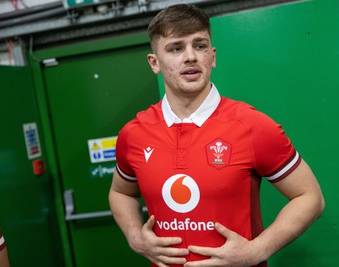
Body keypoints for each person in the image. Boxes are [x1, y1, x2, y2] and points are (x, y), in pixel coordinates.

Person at [109, 4, 325, 267]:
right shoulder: (134, 134)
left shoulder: (252, 125)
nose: (190, 57)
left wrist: (257, 250)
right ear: (154, 62)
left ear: (213, 56)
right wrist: (134, 236)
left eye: (199, 46)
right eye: (176, 48)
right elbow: (121, 193)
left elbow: (310, 197)